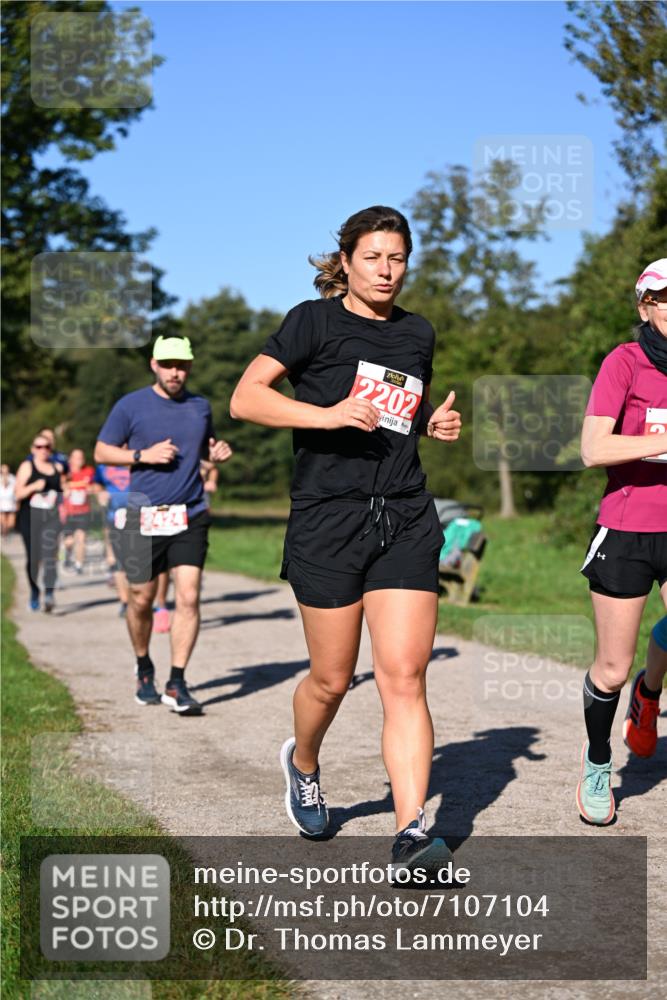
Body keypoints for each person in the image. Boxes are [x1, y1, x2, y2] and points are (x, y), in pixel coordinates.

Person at [230, 206, 461, 877]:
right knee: (332, 680)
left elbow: (395, 406)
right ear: (346, 260)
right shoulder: (312, 321)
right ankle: (303, 762)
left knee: (404, 676)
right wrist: (324, 416)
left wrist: (428, 424)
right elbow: (248, 399)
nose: (386, 270)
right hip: (327, 518)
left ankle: (413, 833)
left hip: (405, 516)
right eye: (373, 257)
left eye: (397, 258)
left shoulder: (417, 333)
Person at [94, 335, 233, 714]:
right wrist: (143, 455)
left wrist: (215, 453)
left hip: (190, 513)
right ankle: (144, 666)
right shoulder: (130, 405)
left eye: (182, 364)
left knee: (188, 595)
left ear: (190, 366)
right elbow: (102, 451)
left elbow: (204, 447)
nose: (176, 371)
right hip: (143, 514)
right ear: (154, 364)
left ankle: (177, 681)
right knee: (140, 598)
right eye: (169, 364)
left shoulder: (200, 406)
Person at [577, 258, 667, 825]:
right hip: (629, 525)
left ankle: (650, 692)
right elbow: (592, 449)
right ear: (646, 306)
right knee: (611, 667)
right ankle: (596, 759)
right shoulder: (625, 362)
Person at [14, 435, 64, 611]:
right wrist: (34, 487)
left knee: (50, 556)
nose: (43, 450)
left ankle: (49, 593)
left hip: (51, 518)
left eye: (47, 447)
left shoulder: (57, 467)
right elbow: (17, 494)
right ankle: (35, 591)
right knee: (34, 558)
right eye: (39, 446)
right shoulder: (27, 467)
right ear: (32, 448)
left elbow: (63, 492)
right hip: (29, 518)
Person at [94, 458, 131, 616]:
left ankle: (138, 600)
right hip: (114, 516)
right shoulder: (104, 467)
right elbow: (96, 485)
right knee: (119, 561)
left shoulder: (140, 460)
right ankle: (125, 602)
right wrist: (99, 493)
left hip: (139, 516)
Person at [61, 449, 98, 573]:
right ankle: (67, 554)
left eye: (81, 457)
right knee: (69, 541)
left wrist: (90, 489)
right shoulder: (65, 473)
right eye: (76, 457)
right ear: (70, 459)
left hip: (83, 510)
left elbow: (94, 486)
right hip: (68, 512)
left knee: (81, 538)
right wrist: (66, 490)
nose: (79, 460)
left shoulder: (89, 471)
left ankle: (79, 564)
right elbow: (60, 487)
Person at [0, 464, 17, 535]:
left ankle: (6, 530)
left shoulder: (13, 478)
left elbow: (16, 489)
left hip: (11, 502)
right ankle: (4, 533)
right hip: (2, 502)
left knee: (11, 524)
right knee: (3, 522)